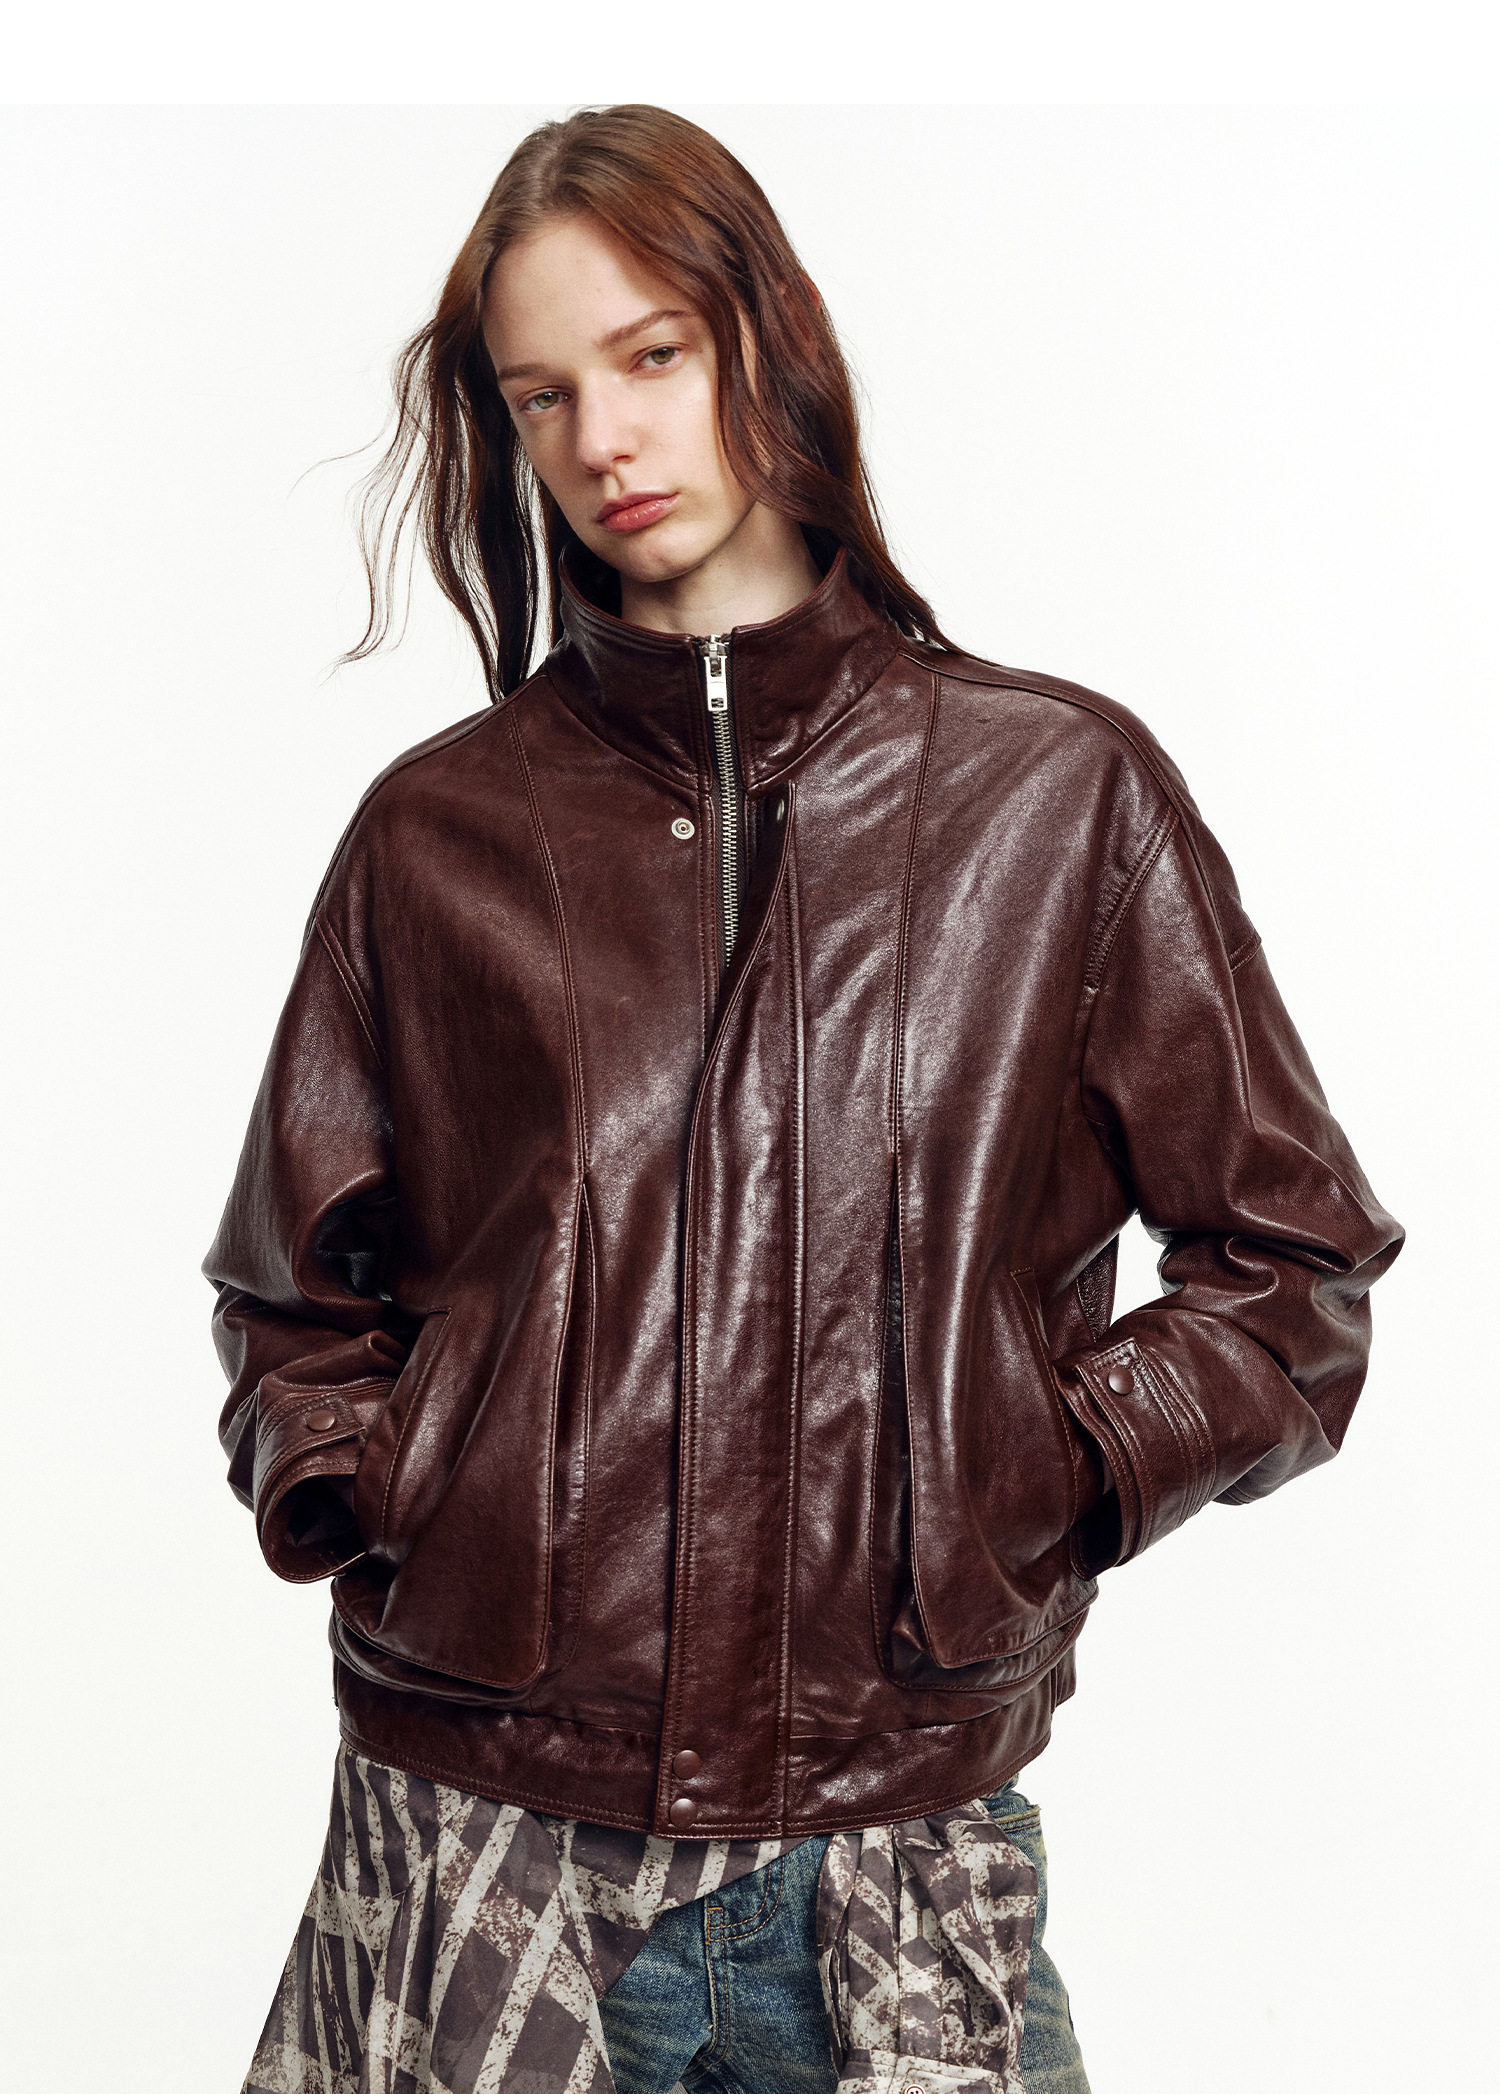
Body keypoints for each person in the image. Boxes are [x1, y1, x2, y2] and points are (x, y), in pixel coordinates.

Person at [205, 104, 1403, 2094]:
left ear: (771, 335)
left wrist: (1034, 1458)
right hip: (484, 1847)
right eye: (543, 394)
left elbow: (1296, 1267)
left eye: (652, 354)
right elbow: (288, 1296)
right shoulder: (439, 836)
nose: (605, 439)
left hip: (899, 1868)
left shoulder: (1055, 799)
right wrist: (392, 1487)